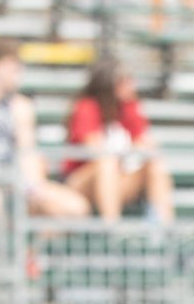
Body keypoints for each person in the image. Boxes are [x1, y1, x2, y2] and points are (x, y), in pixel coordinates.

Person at [0, 40, 88, 219]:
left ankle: (33, 247)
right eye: (13, 69)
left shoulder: (21, 106)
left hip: (17, 180)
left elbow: (27, 152)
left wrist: (34, 186)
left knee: (75, 208)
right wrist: (2, 180)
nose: (18, 75)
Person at [61, 59, 174, 225]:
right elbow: (95, 150)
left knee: (155, 164)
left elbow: (147, 145)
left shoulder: (129, 107)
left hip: (117, 177)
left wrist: (132, 151)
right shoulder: (87, 107)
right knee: (106, 163)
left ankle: (165, 227)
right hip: (81, 183)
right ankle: (112, 228)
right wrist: (129, 151)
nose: (132, 85)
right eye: (125, 81)